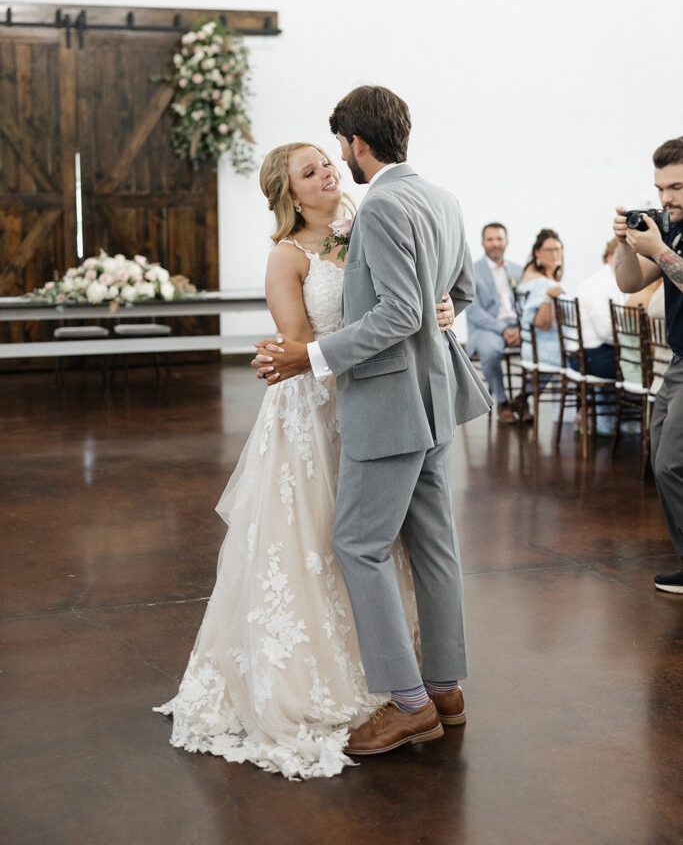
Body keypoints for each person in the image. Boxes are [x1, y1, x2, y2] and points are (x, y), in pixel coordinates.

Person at [154, 141, 459, 780]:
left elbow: (411, 298)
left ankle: (411, 679)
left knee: (385, 541)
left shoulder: (369, 223)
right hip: (317, 412)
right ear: (290, 194)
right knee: (320, 541)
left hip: (379, 404)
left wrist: (436, 310)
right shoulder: (286, 257)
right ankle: (336, 676)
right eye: (309, 171)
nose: (327, 174)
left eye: (327, 162)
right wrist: (379, 330)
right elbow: (296, 341)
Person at [255, 85, 491, 757]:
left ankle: (409, 703)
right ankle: (445, 687)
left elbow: (395, 315)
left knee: (357, 546)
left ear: (356, 145)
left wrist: (314, 355)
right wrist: (434, 308)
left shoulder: (382, 205)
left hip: (386, 403)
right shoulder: (440, 198)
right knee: (434, 547)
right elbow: (459, 295)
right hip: (434, 401)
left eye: (338, 150)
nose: (338, 163)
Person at [613, 136, 683, 595]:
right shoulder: (673, 228)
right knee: (661, 453)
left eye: (676, 187)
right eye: (660, 188)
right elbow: (628, 282)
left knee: (672, 462)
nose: (666, 198)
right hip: (680, 358)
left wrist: (657, 247)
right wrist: (623, 243)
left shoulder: (670, 236)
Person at [467, 223, 525, 423]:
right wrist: (503, 329)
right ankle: (502, 402)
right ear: (483, 243)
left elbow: (527, 305)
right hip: (487, 328)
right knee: (491, 351)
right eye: (490, 239)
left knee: (548, 349)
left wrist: (520, 328)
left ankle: (523, 399)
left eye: (499, 239)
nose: (495, 244)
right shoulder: (472, 271)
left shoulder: (519, 270)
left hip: (518, 327)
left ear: (506, 242)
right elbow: (474, 311)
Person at [574, 238, 626, 434]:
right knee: (645, 369)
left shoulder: (605, 281)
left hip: (591, 353)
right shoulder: (599, 285)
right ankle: (633, 424)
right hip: (592, 356)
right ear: (611, 257)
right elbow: (606, 333)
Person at [518, 228, 565, 368]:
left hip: (534, 346)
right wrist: (548, 298)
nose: (555, 254)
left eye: (558, 249)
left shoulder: (531, 273)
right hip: (548, 350)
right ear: (537, 252)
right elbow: (542, 323)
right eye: (549, 250)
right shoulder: (542, 283)